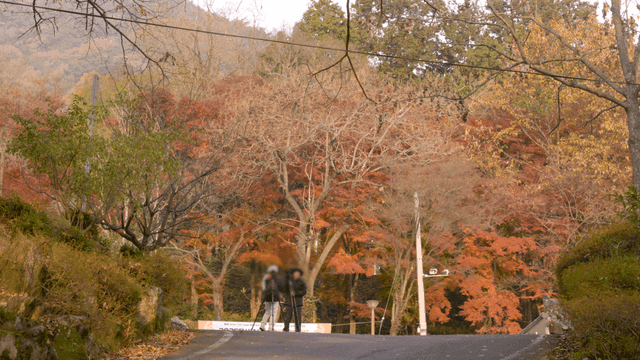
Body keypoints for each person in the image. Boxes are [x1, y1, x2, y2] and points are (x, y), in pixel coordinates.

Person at [282, 268, 306, 332]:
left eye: (297, 274)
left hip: (298, 302)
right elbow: (284, 289)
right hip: (289, 301)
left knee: (298, 317)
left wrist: (296, 293)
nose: (296, 275)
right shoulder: (289, 281)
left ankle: (298, 329)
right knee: (287, 316)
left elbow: (304, 291)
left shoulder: (302, 282)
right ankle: (286, 328)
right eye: (295, 274)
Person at [260, 265, 281, 331]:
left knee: (267, 312)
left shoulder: (266, 277)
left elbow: (263, 287)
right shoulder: (278, 278)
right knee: (274, 312)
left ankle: (262, 325)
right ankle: (270, 327)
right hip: (276, 297)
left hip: (267, 296)